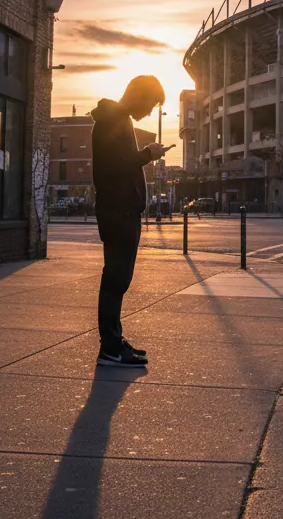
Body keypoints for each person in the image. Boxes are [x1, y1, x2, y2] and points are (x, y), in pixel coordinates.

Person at [90, 75, 171, 367]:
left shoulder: (117, 119)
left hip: (121, 212)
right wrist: (147, 155)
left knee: (118, 280)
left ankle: (114, 341)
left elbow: (118, 162)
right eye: (150, 104)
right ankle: (110, 348)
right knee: (115, 280)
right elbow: (113, 167)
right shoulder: (112, 121)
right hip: (118, 213)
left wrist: (144, 154)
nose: (149, 112)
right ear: (139, 96)